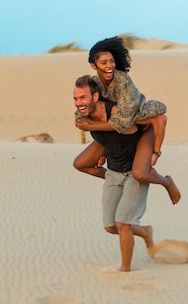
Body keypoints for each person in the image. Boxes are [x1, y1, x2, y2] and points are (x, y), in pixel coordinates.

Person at [73, 75, 155, 272]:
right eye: (75, 99)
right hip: (114, 172)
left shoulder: (117, 110)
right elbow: (107, 140)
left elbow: (123, 127)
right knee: (111, 226)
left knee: (122, 223)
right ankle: (145, 231)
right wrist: (103, 155)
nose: (78, 103)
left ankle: (125, 270)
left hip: (134, 173)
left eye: (82, 98)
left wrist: (154, 152)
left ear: (95, 96)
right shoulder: (83, 117)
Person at [76, 36, 168, 167]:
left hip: (136, 113)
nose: (109, 66)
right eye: (104, 62)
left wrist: (90, 126)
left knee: (158, 112)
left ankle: (157, 159)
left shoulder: (122, 80)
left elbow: (122, 121)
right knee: (81, 163)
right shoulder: (94, 83)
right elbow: (82, 112)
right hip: (117, 127)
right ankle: (113, 177)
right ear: (93, 65)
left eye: (112, 61)